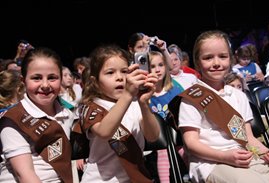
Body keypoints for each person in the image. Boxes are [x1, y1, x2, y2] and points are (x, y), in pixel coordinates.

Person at [178, 30, 269, 183]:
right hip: (210, 163)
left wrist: (266, 152)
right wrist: (225, 157)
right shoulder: (192, 98)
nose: (216, 63)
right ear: (197, 61)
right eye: (208, 58)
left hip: (244, 155)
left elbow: (248, 137)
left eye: (222, 56)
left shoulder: (239, 96)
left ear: (230, 59)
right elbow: (191, 144)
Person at [79, 44, 160, 183]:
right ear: (95, 82)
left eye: (124, 71)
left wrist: (144, 103)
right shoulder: (91, 106)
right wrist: (128, 94)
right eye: (110, 72)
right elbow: (105, 132)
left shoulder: (135, 103)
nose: (119, 78)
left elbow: (152, 136)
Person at [0, 47, 76, 182]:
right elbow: (24, 175)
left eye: (52, 78)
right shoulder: (12, 120)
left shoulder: (68, 115)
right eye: (37, 78)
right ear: (23, 81)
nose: (45, 85)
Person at [148, 51, 197, 183]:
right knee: (162, 151)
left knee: (184, 150)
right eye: (152, 66)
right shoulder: (145, 94)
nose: (157, 70)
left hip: (177, 129)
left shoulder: (174, 88)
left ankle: (195, 177)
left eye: (161, 65)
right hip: (159, 135)